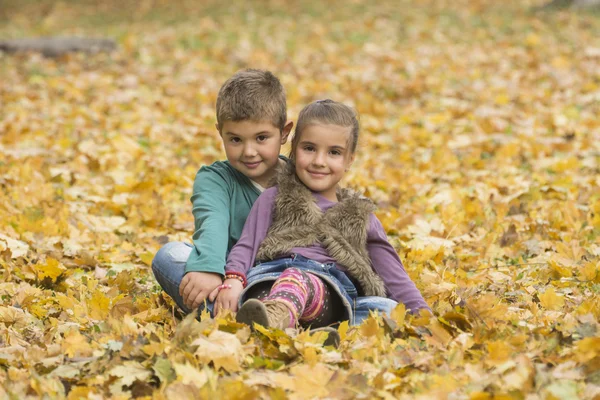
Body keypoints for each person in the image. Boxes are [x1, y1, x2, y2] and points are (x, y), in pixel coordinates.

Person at [214, 99, 430, 331]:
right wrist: (233, 280)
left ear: (349, 160)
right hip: (268, 282)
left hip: (329, 296)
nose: (319, 161)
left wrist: (425, 318)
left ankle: (280, 324)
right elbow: (247, 245)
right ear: (294, 148)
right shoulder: (274, 197)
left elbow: (394, 277)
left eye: (334, 153)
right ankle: (288, 326)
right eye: (309, 148)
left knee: (385, 309)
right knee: (257, 291)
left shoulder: (360, 217)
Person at [151, 69, 293, 315]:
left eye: (261, 138)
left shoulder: (301, 177)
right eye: (236, 140)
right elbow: (212, 221)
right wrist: (209, 268)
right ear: (220, 133)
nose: (249, 151)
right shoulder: (215, 179)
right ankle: (245, 316)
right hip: (227, 279)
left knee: (374, 303)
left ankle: (268, 314)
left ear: (284, 133)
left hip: (290, 280)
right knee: (169, 255)